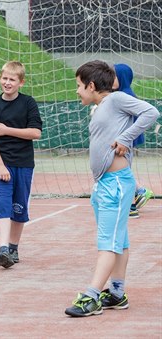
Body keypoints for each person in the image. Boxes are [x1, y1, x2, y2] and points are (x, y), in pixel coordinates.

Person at [65, 60, 159, 317]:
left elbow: (151, 112)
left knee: (108, 242)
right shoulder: (102, 106)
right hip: (106, 184)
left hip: (116, 184)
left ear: (92, 85)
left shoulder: (116, 99)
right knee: (119, 239)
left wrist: (126, 138)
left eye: (79, 86)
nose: (77, 91)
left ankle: (91, 295)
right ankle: (116, 293)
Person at [0, 61, 42, 269]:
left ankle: (14, 247)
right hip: (2, 164)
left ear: (21, 82)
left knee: (19, 208)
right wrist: (0, 165)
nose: (7, 83)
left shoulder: (28, 103)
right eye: (4, 78)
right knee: (3, 205)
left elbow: (35, 133)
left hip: (24, 164)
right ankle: (3, 250)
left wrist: (8, 130)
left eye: (12, 79)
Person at [112, 63, 155, 219]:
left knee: (123, 172)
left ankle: (131, 205)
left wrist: (126, 138)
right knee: (123, 170)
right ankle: (137, 193)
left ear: (122, 78)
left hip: (126, 142)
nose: (110, 78)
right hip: (123, 141)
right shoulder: (119, 94)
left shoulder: (126, 95)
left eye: (114, 76)